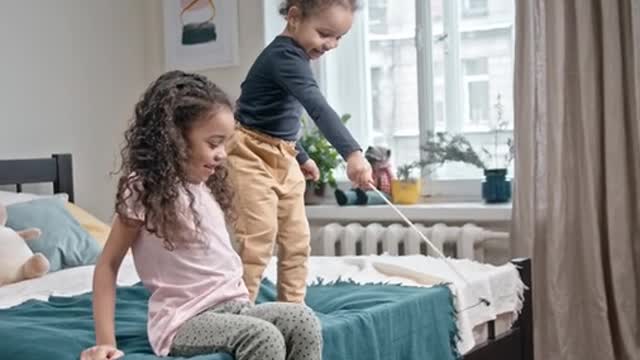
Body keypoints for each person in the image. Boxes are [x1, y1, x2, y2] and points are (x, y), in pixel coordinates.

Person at [80, 71, 322, 360]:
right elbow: (108, 265)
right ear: (175, 139)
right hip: (185, 321)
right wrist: (106, 342)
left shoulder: (202, 186)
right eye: (213, 143)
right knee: (262, 336)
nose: (222, 154)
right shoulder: (144, 188)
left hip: (234, 307)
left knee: (303, 320)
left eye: (224, 144)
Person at [229, 0, 372, 304]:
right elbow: (316, 107)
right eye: (324, 33)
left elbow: (275, 118)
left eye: (339, 38)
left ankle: (292, 308)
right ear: (294, 17)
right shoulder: (283, 57)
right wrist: (352, 153)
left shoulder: (297, 59)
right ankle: (238, 313)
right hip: (248, 155)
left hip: (283, 154)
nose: (331, 44)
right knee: (258, 239)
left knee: (296, 240)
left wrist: (300, 155)